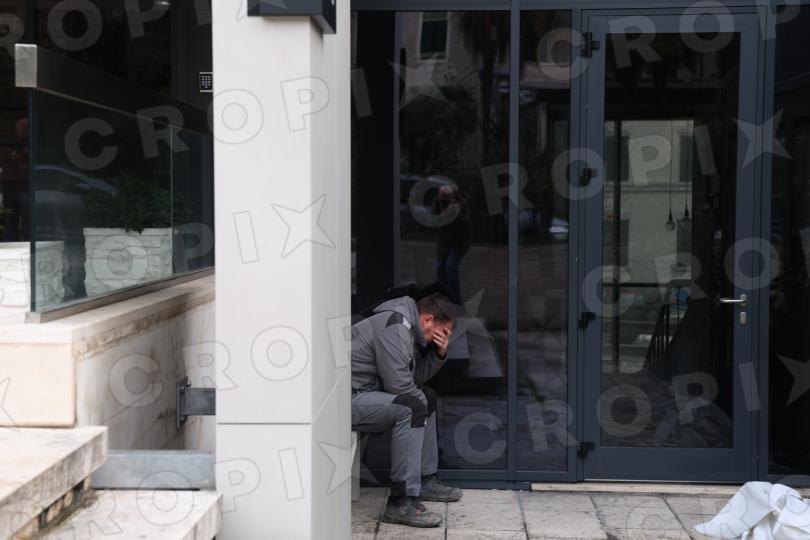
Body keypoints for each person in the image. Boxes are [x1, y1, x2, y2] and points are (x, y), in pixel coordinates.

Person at [351, 292, 463, 528]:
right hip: (346, 401)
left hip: (365, 394)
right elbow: (399, 386)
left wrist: (439, 354)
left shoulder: (406, 325)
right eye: (439, 333)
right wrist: (419, 408)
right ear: (427, 320)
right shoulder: (395, 325)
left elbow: (413, 379)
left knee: (426, 397)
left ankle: (425, 479)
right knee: (412, 407)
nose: (437, 338)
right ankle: (400, 502)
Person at [433, 184, 471, 304]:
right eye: (442, 197)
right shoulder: (438, 203)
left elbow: (466, 225)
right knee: (439, 269)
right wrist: (442, 209)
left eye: (447, 197)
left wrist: (456, 213)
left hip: (460, 242)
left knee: (451, 266)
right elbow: (434, 221)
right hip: (444, 242)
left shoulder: (460, 204)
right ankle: (446, 296)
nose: (445, 200)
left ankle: (456, 301)